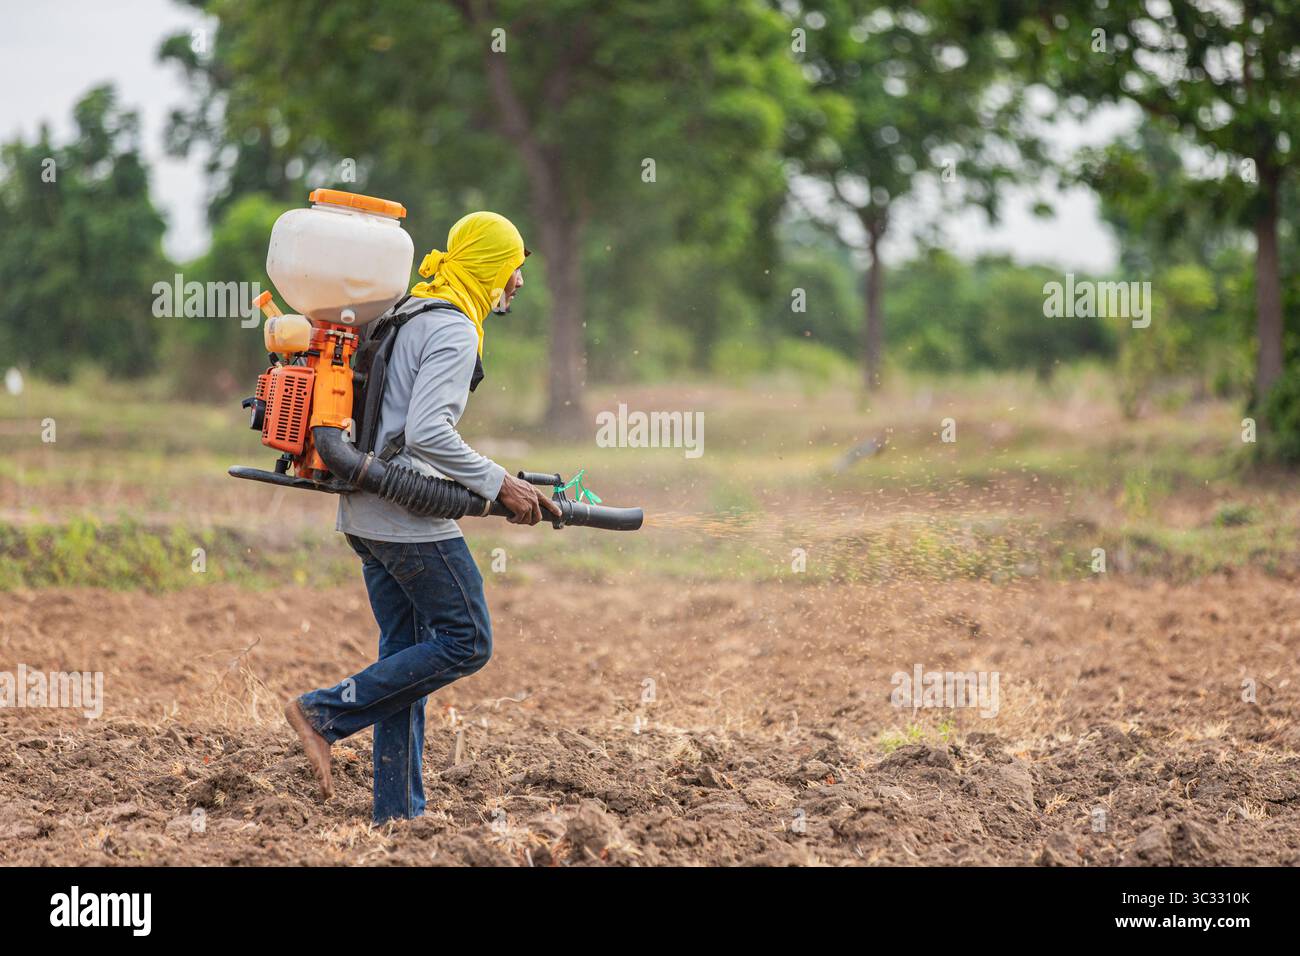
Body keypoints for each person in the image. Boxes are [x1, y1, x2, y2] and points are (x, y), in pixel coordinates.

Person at [283, 211, 559, 822]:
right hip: (407, 521)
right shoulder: (455, 328)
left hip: (363, 516)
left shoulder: (411, 309)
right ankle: (324, 712)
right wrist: (500, 483)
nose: (517, 282)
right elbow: (429, 433)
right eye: (514, 267)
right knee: (468, 640)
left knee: (404, 659)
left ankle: (396, 817)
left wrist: (497, 482)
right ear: (489, 265)